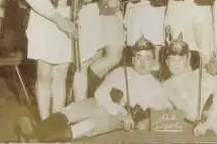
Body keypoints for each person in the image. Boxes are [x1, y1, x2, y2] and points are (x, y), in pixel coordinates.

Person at [16, 37, 172, 142]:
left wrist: (143, 122)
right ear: (133, 59)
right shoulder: (121, 72)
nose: (143, 62)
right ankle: (33, 133)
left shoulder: (157, 88)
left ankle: (36, 140)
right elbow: (100, 93)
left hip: (120, 119)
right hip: (104, 106)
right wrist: (116, 110)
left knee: (88, 125)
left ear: (154, 61)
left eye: (148, 58)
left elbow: (166, 116)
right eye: (139, 57)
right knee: (72, 110)